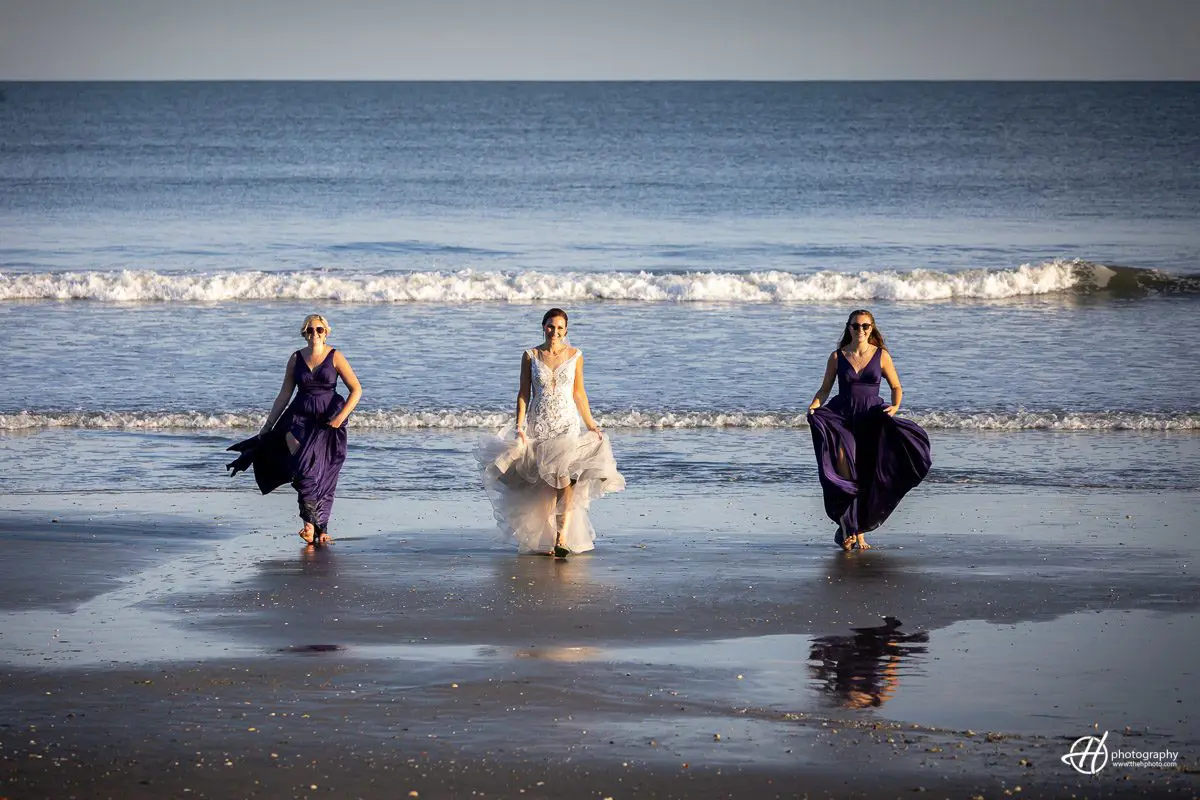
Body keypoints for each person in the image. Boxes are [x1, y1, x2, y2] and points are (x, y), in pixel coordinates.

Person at [478, 308, 625, 557]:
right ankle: (543, 537)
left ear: (566, 330)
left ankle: (562, 536)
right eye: (550, 326)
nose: (554, 332)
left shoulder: (576, 355)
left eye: (559, 327)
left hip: (567, 424)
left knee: (565, 480)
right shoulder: (530, 355)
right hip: (540, 424)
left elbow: (579, 393)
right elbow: (524, 393)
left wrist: (591, 425)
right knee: (544, 483)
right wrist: (520, 426)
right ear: (543, 326)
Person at [227, 314, 362, 546]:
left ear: (326, 332)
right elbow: (284, 395)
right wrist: (267, 426)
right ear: (304, 333)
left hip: (327, 422)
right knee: (303, 469)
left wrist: (341, 417)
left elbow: (356, 389)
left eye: (319, 330)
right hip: (297, 420)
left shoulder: (335, 356)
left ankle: (322, 527)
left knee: (325, 473)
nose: (315, 334)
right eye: (310, 330)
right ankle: (309, 524)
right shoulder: (296, 358)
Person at [807, 310, 931, 550]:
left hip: (872, 418)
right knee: (845, 472)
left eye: (865, 326)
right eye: (856, 326)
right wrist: (814, 406)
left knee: (867, 473)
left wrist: (895, 407)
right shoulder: (837, 357)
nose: (860, 330)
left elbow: (896, 386)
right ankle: (847, 526)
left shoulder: (881, 356)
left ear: (872, 328)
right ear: (849, 328)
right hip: (841, 418)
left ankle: (858, 531)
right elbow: (824, 389)